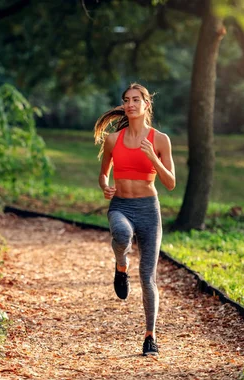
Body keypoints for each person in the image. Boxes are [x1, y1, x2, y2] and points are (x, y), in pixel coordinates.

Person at [94, 83, 176, 357]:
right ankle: (120, 266)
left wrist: (153, 156)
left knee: (147, 277)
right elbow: (103, 173)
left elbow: (171, 183)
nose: (130, 104)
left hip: (148, 210)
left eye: (136, 99)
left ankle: (150, 336)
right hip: (121, 206)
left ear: (146, 104)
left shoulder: (160, 139)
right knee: (121, 234)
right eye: (126, 100)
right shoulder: (113, 140)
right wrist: (105, 186)